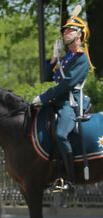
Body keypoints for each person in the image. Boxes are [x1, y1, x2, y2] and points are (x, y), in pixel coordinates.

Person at [32, 15, 93, 191]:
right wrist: (53, 58)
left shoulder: (81, 59)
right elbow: (46, 78)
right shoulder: (66, 58)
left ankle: (71, 179)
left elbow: (67, 84)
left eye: (69, 30)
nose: (65, 33)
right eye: (64, 30)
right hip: (57, 100)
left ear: (79, 35)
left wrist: (44, 97)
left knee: (60, 134)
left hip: (71, 102)